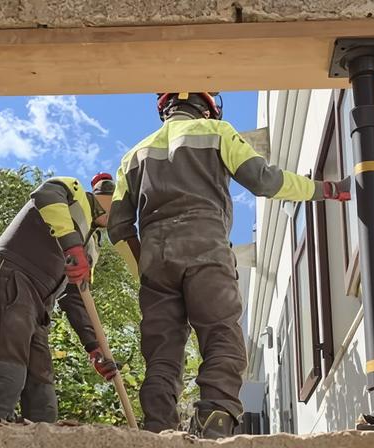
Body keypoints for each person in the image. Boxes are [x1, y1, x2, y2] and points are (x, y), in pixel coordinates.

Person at [107, 92, 350, 438]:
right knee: (221, 336)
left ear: (165, 110)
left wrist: (144, 270)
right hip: (206, 247)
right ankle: (215, 424)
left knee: (162, 354)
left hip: (155, 259)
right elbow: (265, 181)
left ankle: (158, 431)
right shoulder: (217, 132)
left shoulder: (134, 155)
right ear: (207, 108)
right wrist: (326, 189)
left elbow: (118, 228)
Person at [0, 173, 132, 422]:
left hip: (40, 304)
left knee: (41, 386)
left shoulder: (91, 244)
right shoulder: (72, 191)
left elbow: (76, 297)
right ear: (110, 195)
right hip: (12, 279)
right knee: (7, 371)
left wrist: (94, 347)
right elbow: (45, 194)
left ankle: (41, 432)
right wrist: (72, 245)